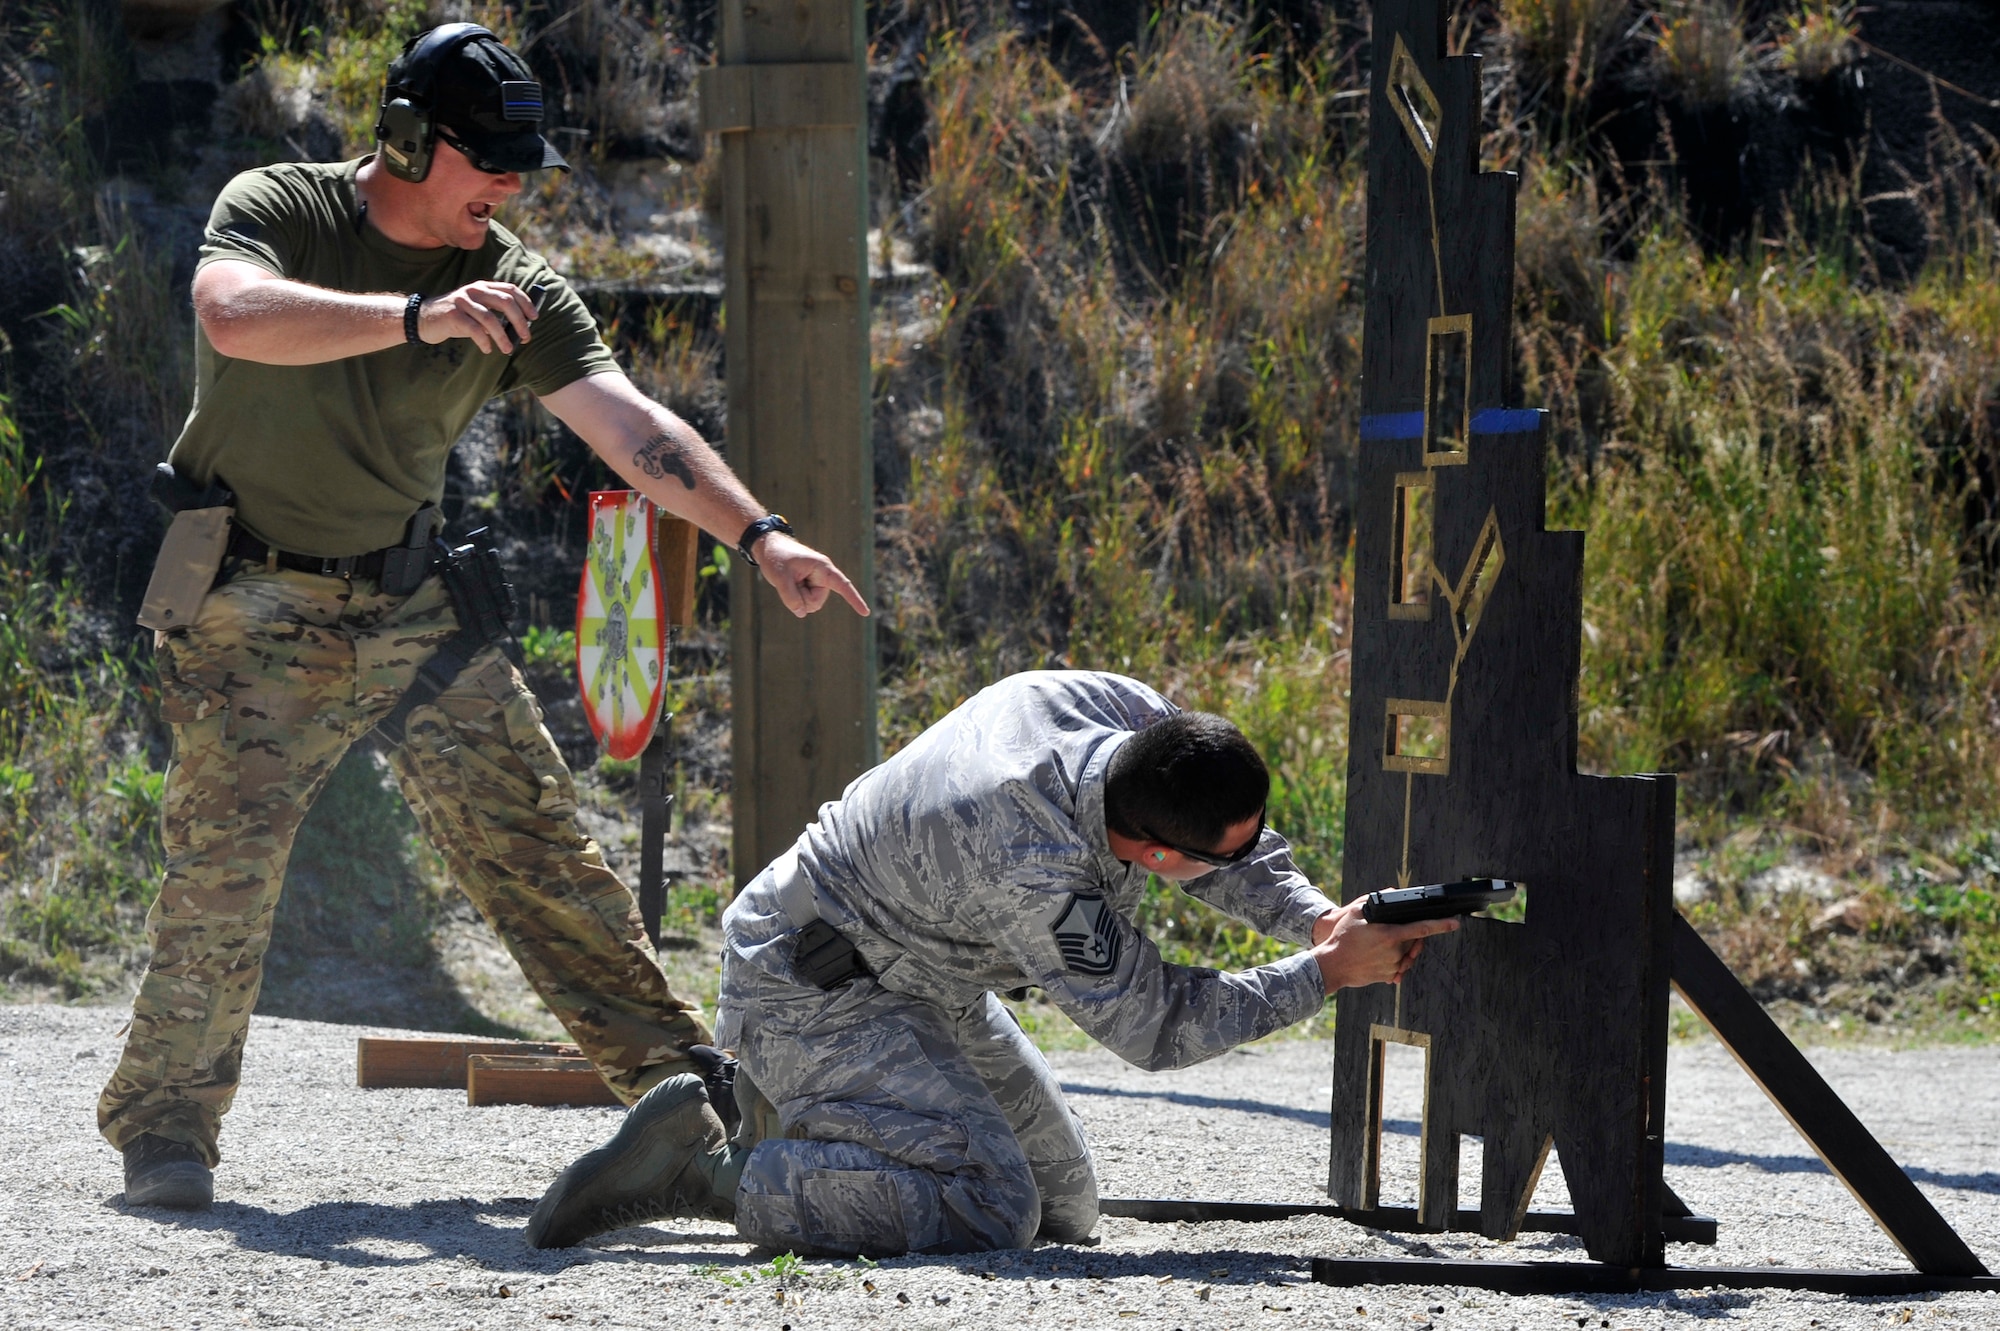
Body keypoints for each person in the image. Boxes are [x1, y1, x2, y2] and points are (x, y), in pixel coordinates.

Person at [100, 22, 868, 1212]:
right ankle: (165, 1131)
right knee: (223, 877)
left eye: (523, 168)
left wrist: (759, 535)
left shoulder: (514, 281)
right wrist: (420, 318)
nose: (507, 191)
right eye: (487, 164)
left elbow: (632, 428)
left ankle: (688, 1107)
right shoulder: (284, 205)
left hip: (410, 603)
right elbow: (234, 316)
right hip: (252, 595)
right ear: (406, 138)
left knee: (542, 853)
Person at [525, 670, 1456, 1255]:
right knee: (991, 1204)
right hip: (808, 985)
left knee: (1066, 1205)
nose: (1242, 861)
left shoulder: (1124, 718)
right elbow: (1156, 1024)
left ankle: (795, 1112)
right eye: (1210, 858)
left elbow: (1228, 849)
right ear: (1162, 857)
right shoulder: (1033, 861)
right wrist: (1327, 973)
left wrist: (1319, 918)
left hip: (915, 969)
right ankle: (711, 1171)